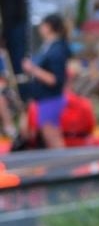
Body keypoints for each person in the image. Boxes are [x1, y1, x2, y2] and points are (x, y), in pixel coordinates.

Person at [21, 13, 71, 149]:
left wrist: (32, 69)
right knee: (50, 137)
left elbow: (55, 79)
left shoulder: (56, 49)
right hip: (45, 99)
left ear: (49, 27)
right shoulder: (49, 46)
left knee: (53, 138)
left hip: (51, 98)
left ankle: (62, 162)